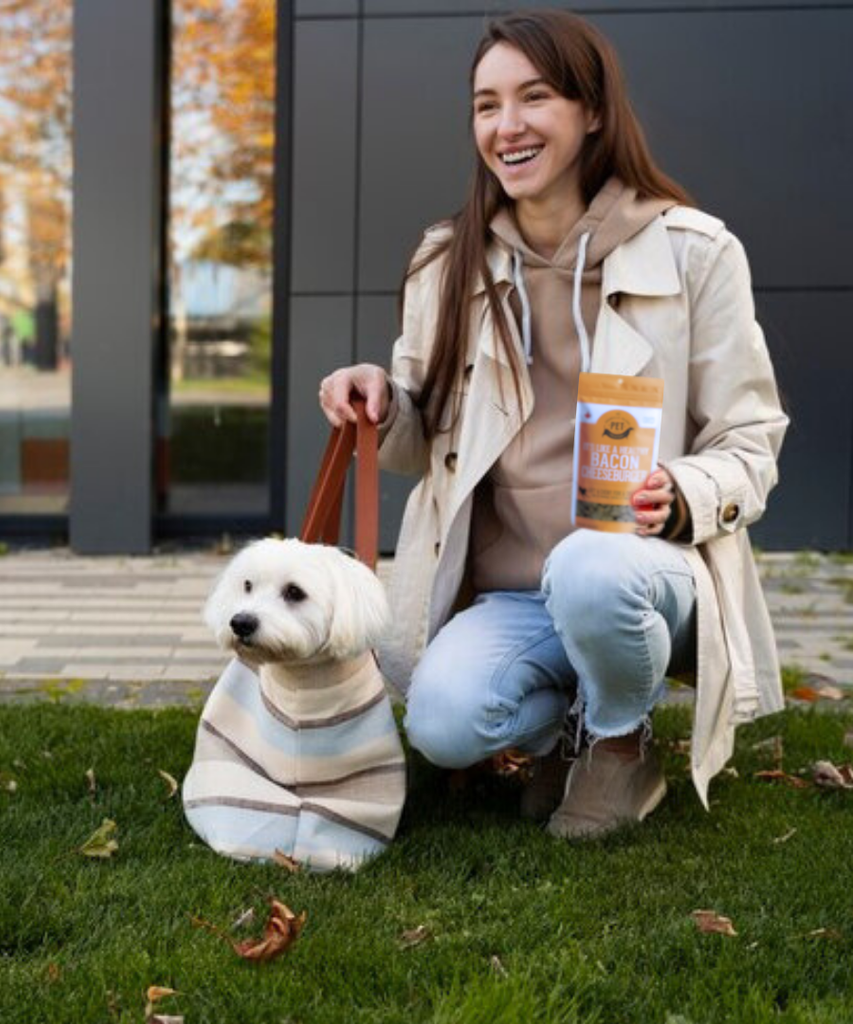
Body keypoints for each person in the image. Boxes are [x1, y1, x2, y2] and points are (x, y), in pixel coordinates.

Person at [317, 9, 787, 839]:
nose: (507, 126)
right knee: (442, 725)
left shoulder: (697, 253)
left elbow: (751, 441)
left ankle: (619, 741)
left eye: (534, 98)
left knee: (590, 571)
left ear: (593, 110)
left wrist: (683, 489)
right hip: (513, 591)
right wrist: (381, 399)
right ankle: (566, 727)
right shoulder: (446, 259)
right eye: (485, 104)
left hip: (642, 574)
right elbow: (415, 441)